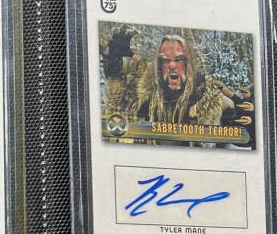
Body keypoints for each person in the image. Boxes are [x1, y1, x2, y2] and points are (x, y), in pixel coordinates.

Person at [102, 29, 254, 146]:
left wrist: (252, 125)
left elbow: (243, 138)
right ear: (159, 66)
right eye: (165, 61)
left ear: (190, 65)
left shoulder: (210, 98)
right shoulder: (143, 94)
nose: (172, 66)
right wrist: (115, 71)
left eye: (179, 60)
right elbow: (115, 110)